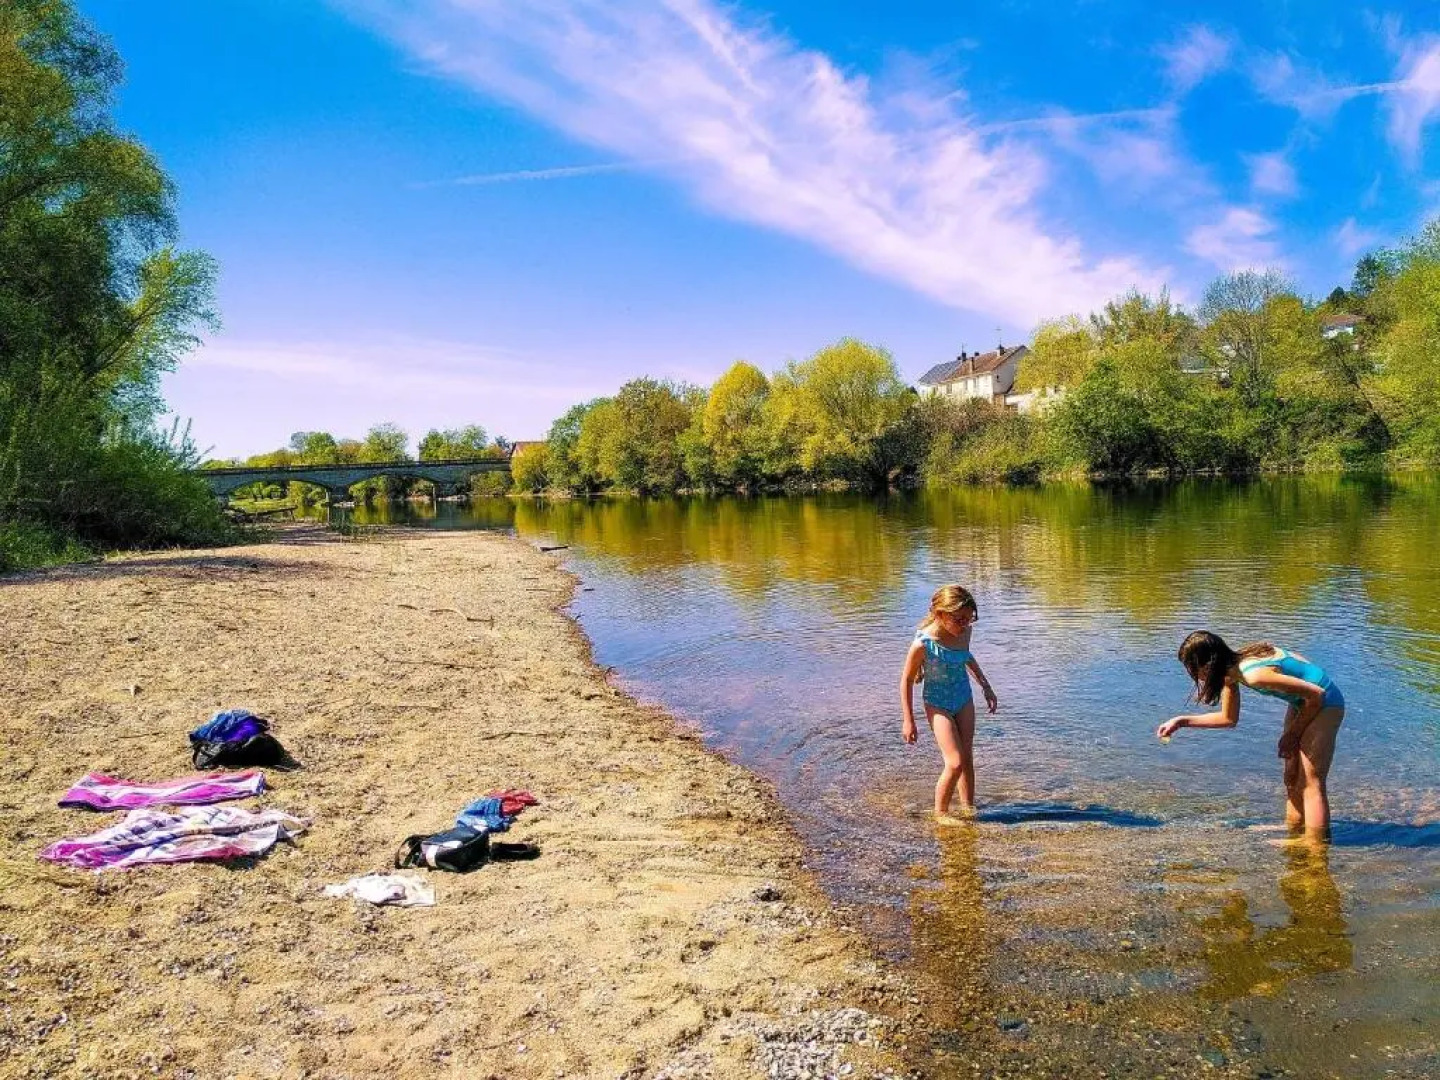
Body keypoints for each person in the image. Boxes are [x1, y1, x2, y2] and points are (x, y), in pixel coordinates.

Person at [1158, 630, 1345, 839]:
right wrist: (1181, 721)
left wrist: (1293, 733)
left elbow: (1317, 694)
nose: (1194, 676)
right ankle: (1295, 831)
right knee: (1291, 777)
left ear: (1208, 664)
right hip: (1301, 702)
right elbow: (1228, 719)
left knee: (1311, 782)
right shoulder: (1232, 672)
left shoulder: (1254, 675)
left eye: (1193, 669)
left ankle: (1316, 846)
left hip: (1326, 702)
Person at [900, 584, 999, 822]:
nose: (965, 624)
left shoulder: (964, 634)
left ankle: (968, 810)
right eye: (960, 619)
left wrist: (985, 686)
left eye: (969, 619)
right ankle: (941, 815)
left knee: (967, 759)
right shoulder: (923, 644)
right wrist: (908, 720)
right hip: (937, 703)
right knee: (954, 763)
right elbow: (906, 679)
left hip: (963, 698)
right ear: (941, 614)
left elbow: (966, 657)